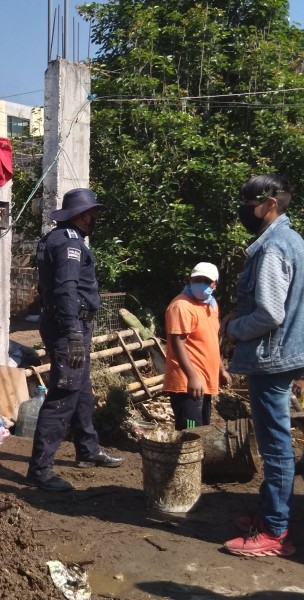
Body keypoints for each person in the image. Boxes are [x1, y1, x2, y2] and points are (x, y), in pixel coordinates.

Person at [221, 173, 304, 557]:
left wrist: (235, 327)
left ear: (270, 204)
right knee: (277, 443)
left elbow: (271, 312)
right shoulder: (293, 242)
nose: (244, 211)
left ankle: (274, 532)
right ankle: (272, 516)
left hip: (271, 358)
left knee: (275, 448)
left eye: (248, 204)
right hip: (286, 353)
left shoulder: (272, 249)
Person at [25, 188, 123, 492]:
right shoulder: (70, 245)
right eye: (92, 213)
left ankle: (87, 450)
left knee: (81, 389)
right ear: (81, 215)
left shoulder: (54, 239)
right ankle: (40, 470)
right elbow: (65, 290)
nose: (94, 219)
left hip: (66, 322)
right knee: (63, 393)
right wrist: (74, 333)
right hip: (70, 324)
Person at [163, 262, 231, 430]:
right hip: (188, 382)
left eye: (207, 281)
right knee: (190, 431)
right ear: (190, 280)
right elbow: (177, 342)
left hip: (205, 381)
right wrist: (192, 377)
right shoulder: (181, 306)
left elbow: (212, 341)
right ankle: (181, 457)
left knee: (202, 430)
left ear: (215, 284)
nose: (202, 284)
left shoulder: (211, 305)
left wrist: (221, 370)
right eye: (197, 279)